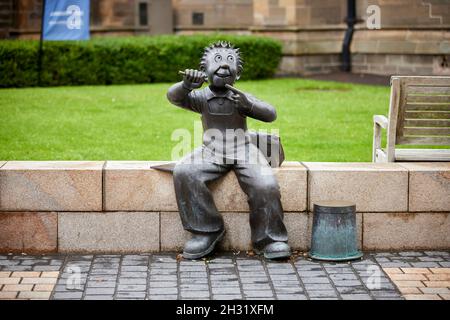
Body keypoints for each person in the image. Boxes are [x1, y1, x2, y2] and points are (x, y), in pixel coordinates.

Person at [166, 41, 290, 260]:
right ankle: (207, 231)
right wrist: (186, 85)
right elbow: (173, 97)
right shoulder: (200, 98)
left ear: (238, 74)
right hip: (211, 150)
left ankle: (270, 239)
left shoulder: (239, 97)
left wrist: (248, 105)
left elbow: (271, 114)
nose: (223, 65)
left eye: (229, 61)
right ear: (204, 70)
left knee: (266, 184)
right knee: (185, 171)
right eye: (217, 60)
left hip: (244, 149)